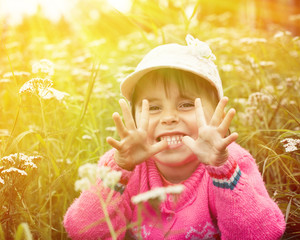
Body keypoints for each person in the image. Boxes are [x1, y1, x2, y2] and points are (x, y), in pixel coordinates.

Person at [63, 34, 286, 239]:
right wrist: (119, 169)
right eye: (153, 108)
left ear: (216, 116)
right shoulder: (124, 167)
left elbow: (264, 233)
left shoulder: (232, 165)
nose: (169, 118)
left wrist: (223, 170)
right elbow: (83, 232)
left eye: (186, 104)